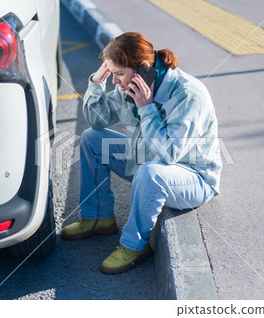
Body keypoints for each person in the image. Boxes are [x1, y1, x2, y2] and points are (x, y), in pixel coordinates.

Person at [60, 32, 222, 274]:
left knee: (150, 173)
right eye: (111, 74)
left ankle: (134, 245)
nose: (115, 82)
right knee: (92, 139)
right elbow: (97, 120)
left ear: (143, 69)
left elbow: (168, 154)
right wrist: (95, 83)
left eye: (118, 74)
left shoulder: (188, 95)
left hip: (193, 177)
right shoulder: (130, 86)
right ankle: (97, 217)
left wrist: (146, 109)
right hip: (146, 160)